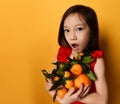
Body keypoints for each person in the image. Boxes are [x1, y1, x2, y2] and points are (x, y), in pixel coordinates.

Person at [46, 5, 108, 104]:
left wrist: (74, 97)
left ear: (91, 32)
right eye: (67, 30)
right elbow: (48, 84)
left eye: (79, 29)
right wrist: (63, 100)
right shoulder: (62, 54)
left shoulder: (97, 60)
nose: (72, 37)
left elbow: (102, 100)